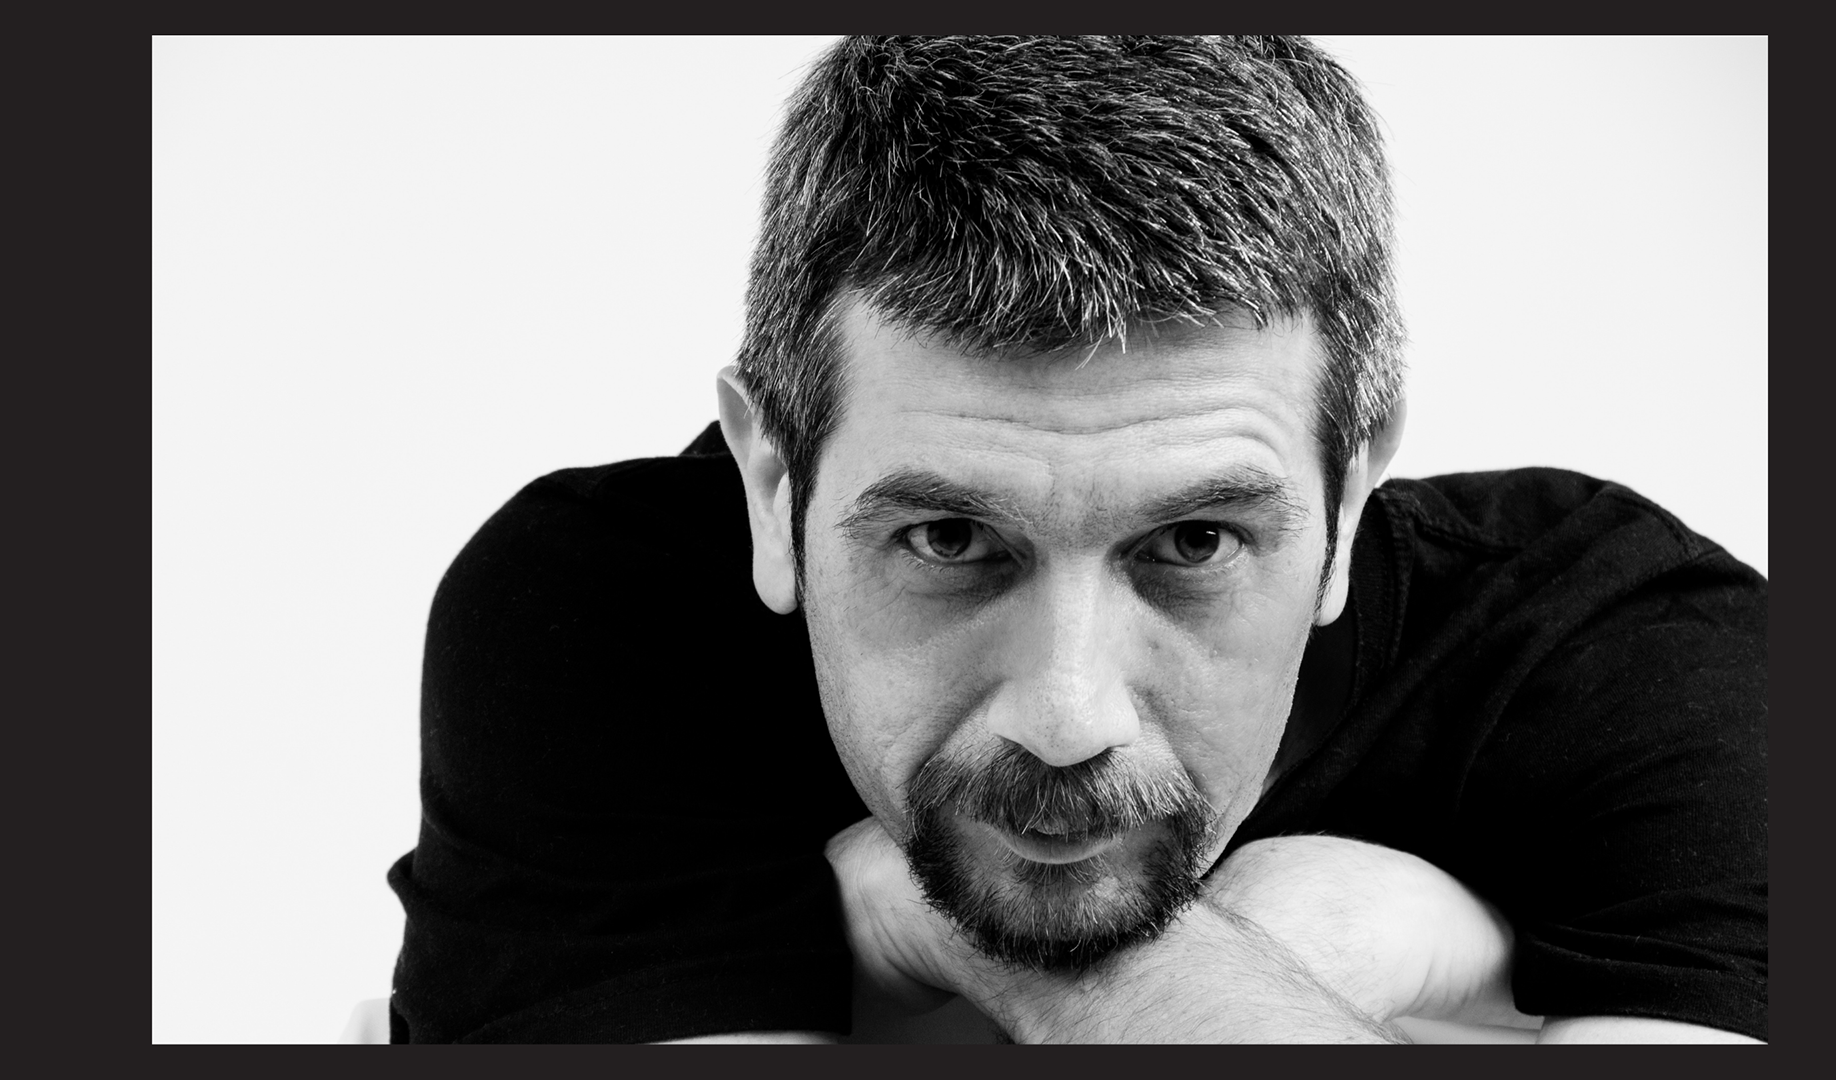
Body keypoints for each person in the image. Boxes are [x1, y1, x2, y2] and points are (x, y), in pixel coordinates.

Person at [385, 36, 1766, 1043]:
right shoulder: (596, 622)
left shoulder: (1633, 656)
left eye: (1196, 543)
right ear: (770, 483)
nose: (1065, 719)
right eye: (947, 537)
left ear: (1349, 499)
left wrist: (1347, 929)